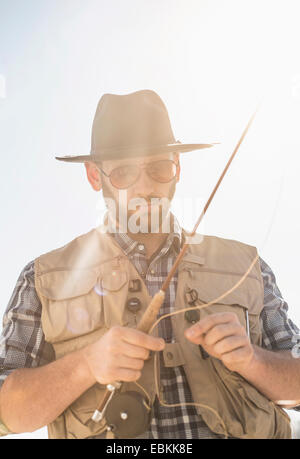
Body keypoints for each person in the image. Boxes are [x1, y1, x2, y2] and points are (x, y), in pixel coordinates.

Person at [0, 89, 300, 439]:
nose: (145, 187)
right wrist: (85, 365)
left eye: (159, 167)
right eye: (124, 172)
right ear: (95, 177)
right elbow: (6, 414)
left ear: (177, 170)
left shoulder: (248, 266)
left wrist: (253, 361)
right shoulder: (40, 279)